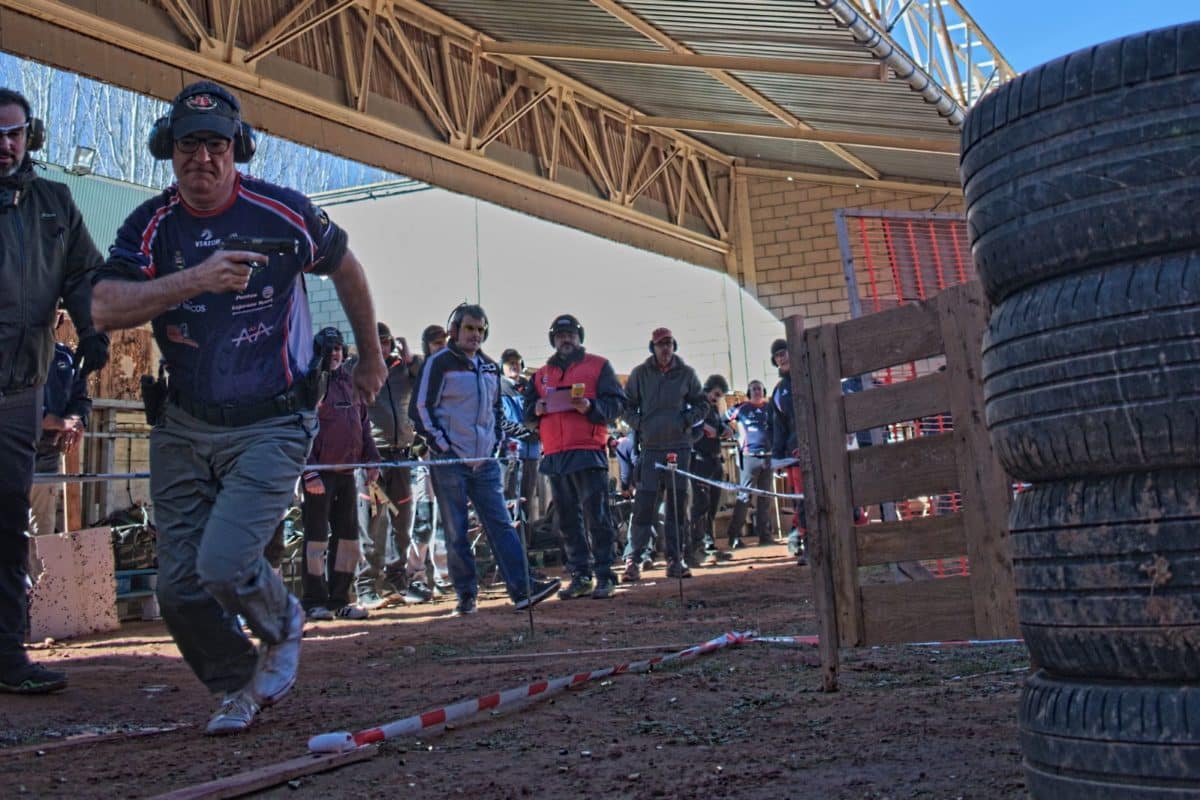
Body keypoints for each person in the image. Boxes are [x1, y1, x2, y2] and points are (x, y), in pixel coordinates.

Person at [91, 81, 386, 734]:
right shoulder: (152, 225)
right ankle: (238, 687)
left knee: (223, 564)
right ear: (168, 150)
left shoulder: (282, 212)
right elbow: (105, 305)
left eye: (217, 144)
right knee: (176, 589)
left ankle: (283, 623)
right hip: (184, 422)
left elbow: (348, 269)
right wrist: (196, 279)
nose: (203, 158)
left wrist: (371, 356)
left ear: (238, 148)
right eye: (189, 144)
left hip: (273, 419)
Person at [0, 88, 109, 695]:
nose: (4, 144)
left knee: (8, 526)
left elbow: (83, 275)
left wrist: (92, 330)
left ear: (29, 136)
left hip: (21, 393)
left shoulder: (55, 204)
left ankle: (8, 659)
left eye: (14, 133)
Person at [409, 304, 559, 615]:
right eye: (469, 328)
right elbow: (419, 410)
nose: (475, 335)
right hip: (450, 462)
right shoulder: (437, 364)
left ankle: (521, 589)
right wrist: (443, 447)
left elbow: (495, 412)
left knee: (501, 524)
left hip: (485, 460)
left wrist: (495, 443)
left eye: (480, 329)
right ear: (454, 330)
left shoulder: (490, 368)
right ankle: (466, 595)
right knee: (456, 529)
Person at [525, 314, 626, 600]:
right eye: (560, 335)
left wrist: (591, 407)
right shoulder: (541, 374)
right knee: (567, 520)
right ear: (553, 339)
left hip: (588, 451)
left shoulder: (598, 366)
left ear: (579, 337)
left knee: (597, 516)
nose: (565, 339)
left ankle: (605, 574)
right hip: (555, 455)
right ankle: (580, 575)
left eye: (570, 334)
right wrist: (537, 409)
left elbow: (617, 404)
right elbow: (526, 413)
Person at [301, 327, 381, 621]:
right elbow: (301, 430)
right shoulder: (309, 383)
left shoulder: (351, 383)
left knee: (348, 539)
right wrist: (309, 473)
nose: (334, 353)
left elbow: (364, 425)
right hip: (318, 476)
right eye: (328, 348)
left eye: (337, 348)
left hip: (348, 474)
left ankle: (340, 599)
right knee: (316, 539)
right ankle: (313, 600)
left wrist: (373, 461)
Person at [623, 327, 707, 579]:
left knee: (677, 508)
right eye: (660, 344)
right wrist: (641, 424)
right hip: (650, 451)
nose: (665, 348)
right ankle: (633, 560)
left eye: (669, 343)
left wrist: (685, 421)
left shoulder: (686, 374)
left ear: (674, 346)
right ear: (653, 347)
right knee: (643, 507)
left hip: (679, 449)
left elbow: (703, 404)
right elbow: (625, 406)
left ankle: (676, 559)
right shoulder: (640, 374)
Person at [357, 321, 421, 606]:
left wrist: (412, 359)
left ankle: (398, 581)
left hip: (401, 456)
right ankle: (367, 585)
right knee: (372, 524)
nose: (382, 347)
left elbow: (426, 379)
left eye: (385, 342)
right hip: (374, 458)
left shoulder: (402, 370)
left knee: (402, 523)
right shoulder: (359, 367)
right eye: (376, 341)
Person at [29, 316, 92, 537]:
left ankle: (38, 573)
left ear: (60, 318)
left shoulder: (65, 357)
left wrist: (75, 421)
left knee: (42, 536)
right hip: (10, 457)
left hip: (47, 459)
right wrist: (60, 423)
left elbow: (81, 399)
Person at [403, 324, 452, 604]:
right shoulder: (422, 369)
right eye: (435, 343)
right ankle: (415, 574)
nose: (441, 346)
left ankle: (445, 575)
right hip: (425, 454)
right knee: (423, 517)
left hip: (447, 452)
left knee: (445, 518)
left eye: (443, 342)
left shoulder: (451, 370)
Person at [769, 338, 807, 564]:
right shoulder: (779, 391)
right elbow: (778, 426)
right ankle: (804, 541)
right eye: (777, 356)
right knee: (801, 501)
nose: (781, 358)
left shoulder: (808, 378)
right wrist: (777, 458)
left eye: (784, 353)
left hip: (818, 448)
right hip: (793, 454)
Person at [725, 379, 775, 546]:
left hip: (768, 457)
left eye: (759, 388)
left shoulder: (770, 408)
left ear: (764, 391)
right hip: (749, 457)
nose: (756, 391)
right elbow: (722, 419)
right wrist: (729, 431)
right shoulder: (742, 408)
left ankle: (765, 535)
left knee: (765, 497)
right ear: (748, 392)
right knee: (744, 496)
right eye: (753, 389)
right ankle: (734, 536)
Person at [691, 375, 733, 567]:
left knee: (712, 505)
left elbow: (720, 423)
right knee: (701, 504)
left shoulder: (714, 409)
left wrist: (724, 428)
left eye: (720, 395)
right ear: (708, 390)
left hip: (715, 460)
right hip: (700, 461)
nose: (717, 398)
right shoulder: (696, 406)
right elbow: (688, 423)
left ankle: (709, 543)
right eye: (716, 394)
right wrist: (703, 427)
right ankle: (697, 546)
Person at [498, 348, 541, 528]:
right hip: (511, 456)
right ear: (503, 367)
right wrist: (526, 432)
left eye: (516, 362)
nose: (514, 366)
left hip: (531, 454)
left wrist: (538, 432)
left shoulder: (530, 388)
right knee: (509, 501)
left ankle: (526, 546)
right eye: (509, 363)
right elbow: (500, 421)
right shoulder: (498, 387)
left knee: (526, 502)